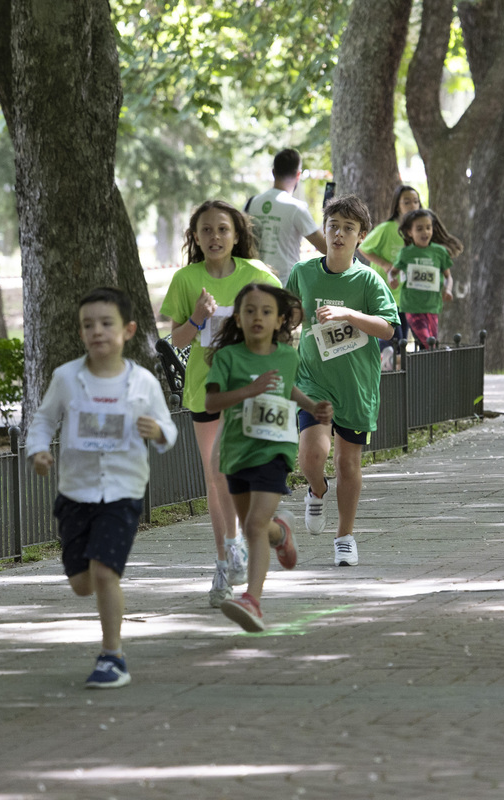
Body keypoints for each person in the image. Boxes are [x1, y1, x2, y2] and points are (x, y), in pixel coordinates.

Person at [26, 287, 177, 688]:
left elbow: (171, 430)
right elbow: (43, 421)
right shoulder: (66, 378)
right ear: (80, 334)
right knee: (82, 583)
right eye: (88, 325)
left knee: (104, 571)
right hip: (75, 493)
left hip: (124, 491)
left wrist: (158, 430)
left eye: (106, 323)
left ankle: (113, 657)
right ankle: (99, 592)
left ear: (127, 330)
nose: (97, 332)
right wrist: (38, 451)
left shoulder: (142, 382)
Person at [160, 200, 281, 607]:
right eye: (206, 230)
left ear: (237, 234)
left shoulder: (257, 275)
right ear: (195, 237)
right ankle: (227, 558)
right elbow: (174, 342)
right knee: (215, 479)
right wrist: (196, 318)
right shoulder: (186, 279)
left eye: (223, 229)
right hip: (204, 389)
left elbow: (283, 324)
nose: (215, 237)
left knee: (228, 470)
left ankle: (250, 538)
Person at [204, 284, 332, 631]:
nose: (257, 317)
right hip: (237, 451)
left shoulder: (287, 357)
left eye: (265, 311)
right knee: (254, 527)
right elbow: (211, 404)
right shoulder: (227, 358)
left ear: (279, 321)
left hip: (275, 450)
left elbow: (286, 388)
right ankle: (281, 533)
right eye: (249, 311)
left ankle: (253, 600)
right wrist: (250, 390)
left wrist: (312, 407)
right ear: (239, 319)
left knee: (253, 525)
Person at [286, 194, 399, 566]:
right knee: (311, 455)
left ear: (360, 236)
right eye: (332, 225)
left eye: (347, 228)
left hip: (356, 385)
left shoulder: (369, 280)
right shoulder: (303, 273)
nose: (338, 234)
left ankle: (345, 536)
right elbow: (287, 318)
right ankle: (316, 490)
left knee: (348, 464)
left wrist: (349, 313)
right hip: (313, 380)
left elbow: (388, 329)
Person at [359, 185, 420, 369]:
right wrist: (386, 265)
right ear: (397, 205)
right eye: (406, 201)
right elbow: (363, 247)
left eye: (415, 201)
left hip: (406, 298)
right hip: (385, 297)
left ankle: (396, 386)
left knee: (401, 345)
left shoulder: (418, 231)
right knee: (389, 348)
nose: (412, 205)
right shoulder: (387, 228)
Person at [244, 149, 327, 285]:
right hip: (284, 285)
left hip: (252, 283)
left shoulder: (251, 203)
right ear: (298, 175)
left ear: (273, 172)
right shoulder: (296, 208)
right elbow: (325, 248)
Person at [389, 208, 458, 349]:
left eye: (428, 228)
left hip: (432, 306)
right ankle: (437, 362)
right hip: (411, 305)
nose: (425, 232)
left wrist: (448, 290)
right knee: (428, 342)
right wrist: (392, 279)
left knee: (428, 343)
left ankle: (420, 368)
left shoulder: (439, 252)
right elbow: (392, 272)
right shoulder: (406, 253)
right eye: (419, 229)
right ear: (410, 232)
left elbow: (448, 277)